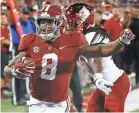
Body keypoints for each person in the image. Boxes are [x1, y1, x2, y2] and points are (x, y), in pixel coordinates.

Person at [4, 4, 135, 113]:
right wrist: (14, 71)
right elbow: (8, 70)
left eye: (49, 22)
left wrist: (120, 42)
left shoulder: (75, 39)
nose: (44, 26)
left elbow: (98, 52)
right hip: (39, 102)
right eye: (41, 22)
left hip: (62, 101)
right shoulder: (30, 40)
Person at [65, 3, 131, 112]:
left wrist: (98, 77)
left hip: (115, 84)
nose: (67, 25)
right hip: (104, 86)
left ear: (82, 21)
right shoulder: (79, 37)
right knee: (91, 108)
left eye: (71, 21)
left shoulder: (91, 35)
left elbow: (96, 57)